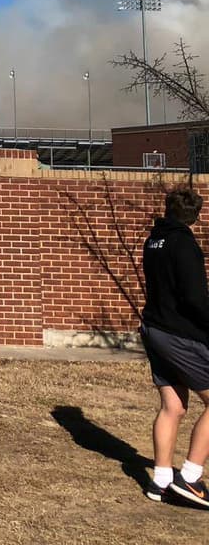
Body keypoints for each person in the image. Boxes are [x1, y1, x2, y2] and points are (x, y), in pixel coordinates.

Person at [141, 186, 209, 505]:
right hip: (177, 333)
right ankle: (190, 478)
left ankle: (161, 482)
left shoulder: (153, 240)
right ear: (196, 216)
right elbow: (195, 299)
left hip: (153, 328)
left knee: (174, 407)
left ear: (168, 210)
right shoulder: (185, 244)